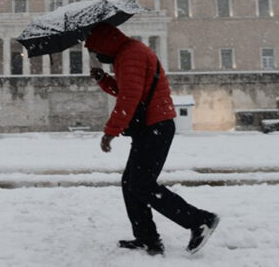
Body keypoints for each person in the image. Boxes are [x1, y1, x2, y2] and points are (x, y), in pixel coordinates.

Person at [85, 22, 219, 256]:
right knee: (131, 183)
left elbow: (129, 98)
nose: (98, 56)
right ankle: (147, 237)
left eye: (97, 51)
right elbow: (132, 89)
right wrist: (104, 80)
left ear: (106, 44)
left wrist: (110, 132)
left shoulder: (131, 55)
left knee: (141, 184)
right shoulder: (128, 53)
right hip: (151, 126)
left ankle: (199, 220)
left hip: (155, 126)